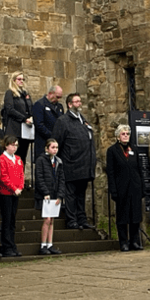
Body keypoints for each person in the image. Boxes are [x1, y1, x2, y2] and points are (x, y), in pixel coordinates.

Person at [59, 93, 97, 230]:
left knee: (81, 195)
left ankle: (82, 219)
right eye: (76, 101)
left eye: (80, 101)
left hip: (85, 165)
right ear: (69, 104)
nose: (79, 104)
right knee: (70, 195)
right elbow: (57, 142)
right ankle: (71, 220)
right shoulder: (63, 121)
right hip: (71, 164)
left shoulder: (83, 120)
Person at [107, 122, 146, 251]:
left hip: (134, 187)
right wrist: (113, 190)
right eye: (123, 134)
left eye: (127, 134)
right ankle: (123, 242)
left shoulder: (133, 149)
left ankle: (134, 241)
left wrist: (142, 187)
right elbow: (111, 172)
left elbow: (139, 169)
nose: (125, 136)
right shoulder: (112, 151)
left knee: (135, 216)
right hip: (121, 188)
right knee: (123, 216)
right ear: (118, 136)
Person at [34, 137, 66, 254]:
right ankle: (43, 245)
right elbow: (39, 177)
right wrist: (45, 192)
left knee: (52, 220)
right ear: (47, 149)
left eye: (56, 147)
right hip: (45, 195)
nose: (55, 150)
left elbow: (62, 179)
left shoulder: (58, 161)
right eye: (53, 147)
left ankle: (50, 244)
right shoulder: (41, 160)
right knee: (46, 219)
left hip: (54, 194)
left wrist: (60, 195)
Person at [0, 135, 25, 256]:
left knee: (12, 220)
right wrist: (13, 188)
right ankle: (6, 245)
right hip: (6, 193)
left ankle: (12, 244)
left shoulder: (18, 159)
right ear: (6, 145)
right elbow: (3, 176)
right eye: (12, 145)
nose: (14, 147)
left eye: (16, 145)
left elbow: (21, 175)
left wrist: (20, 187)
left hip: (15, 192)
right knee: (7, 219)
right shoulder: (2, 159)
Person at [1, 72, 34, 164]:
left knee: (22, 156)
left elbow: (30, 107)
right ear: (14, 80)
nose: (21, 81)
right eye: (19, 79)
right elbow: (9, 109)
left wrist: (31, 116)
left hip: (25, 129)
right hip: (15, 128)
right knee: (15, 154)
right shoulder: (10, 93)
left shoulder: (25, 94)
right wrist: (24, 118)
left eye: (23, 79)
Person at [29, 85, 64, 169]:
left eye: (60, 97)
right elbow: (39, 125)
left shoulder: (59, 107)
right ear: (50, 93)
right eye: (57, 97)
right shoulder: (40, 104)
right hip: (44, 143)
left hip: (56, 144)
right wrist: (52, 136)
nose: (58, 99)